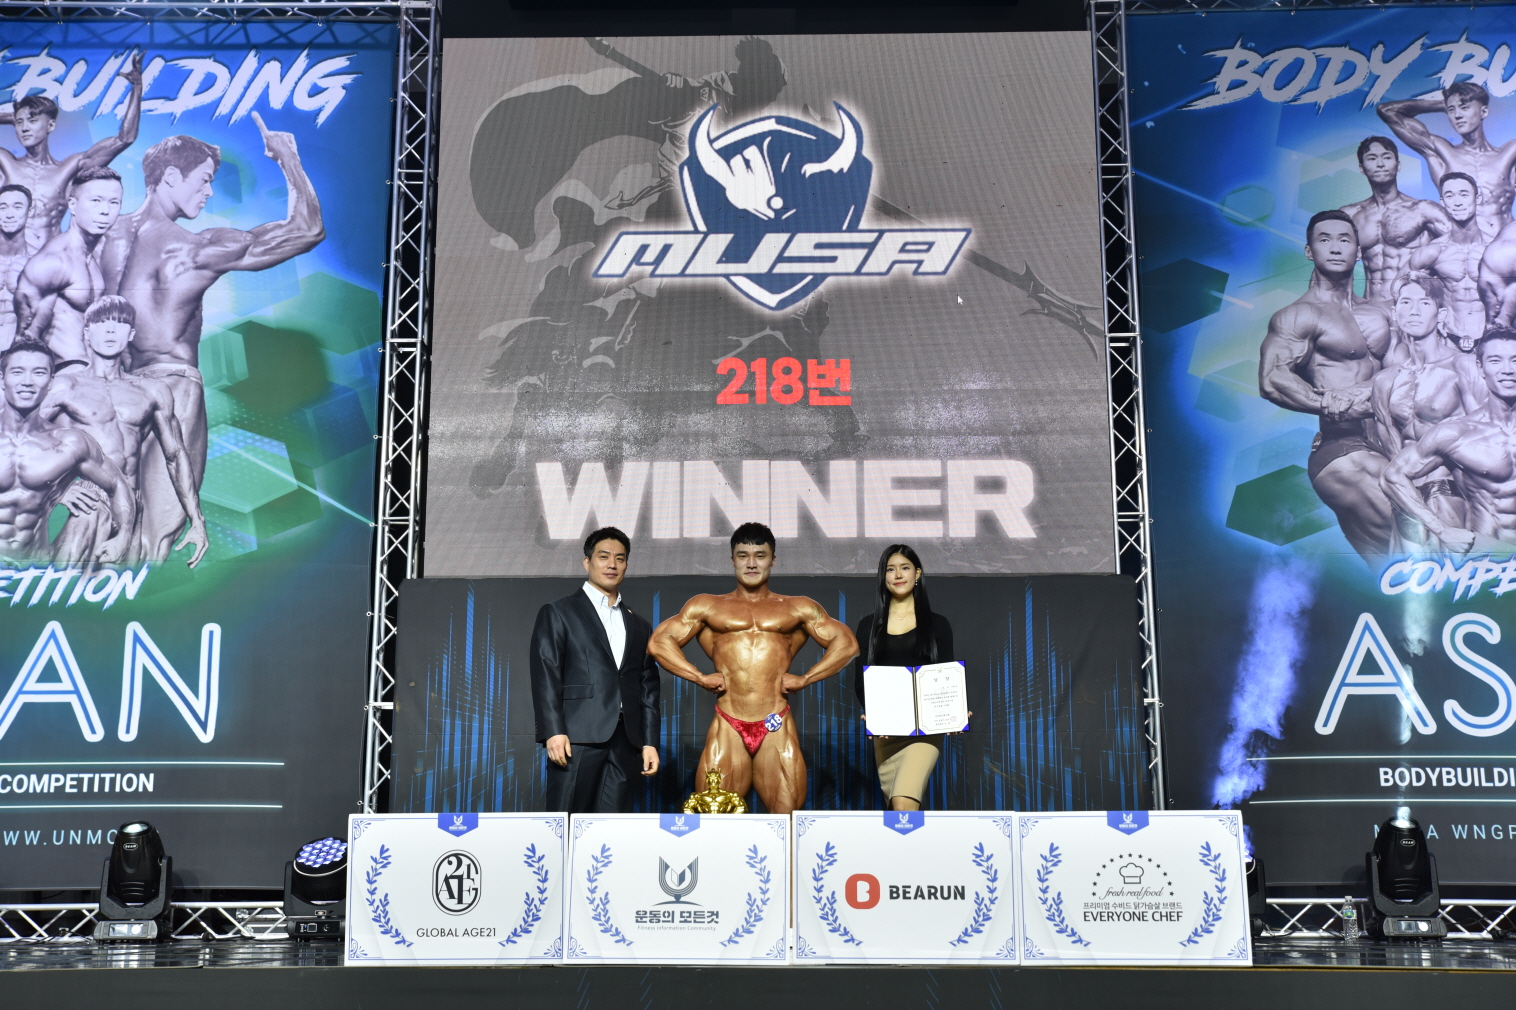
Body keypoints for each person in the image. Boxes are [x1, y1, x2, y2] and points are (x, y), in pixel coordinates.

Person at [99, 115, 324, 559]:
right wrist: (287, 156)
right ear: (170, 176)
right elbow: (307, 230)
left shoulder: (99, 233)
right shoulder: (195, 248)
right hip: (171, 386)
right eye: (203, 181)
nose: (208, 193)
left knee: (106, 528)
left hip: (108, 392)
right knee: (157, 532)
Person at [647, 521, 858, 814]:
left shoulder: (797, 607)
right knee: (714, 813)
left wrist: (807, 678)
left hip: (775, 722)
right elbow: (659, 642)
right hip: (728, 723)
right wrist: (698, 677)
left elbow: (846, 643)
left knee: (786, 815)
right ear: (732, 559)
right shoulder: (707, 606)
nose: (751, 563)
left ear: (773, 559)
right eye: (743, 555)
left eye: (760, 555)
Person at [1259, 209, 1394, 557]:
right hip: (1345, 449)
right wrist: (1327, 404)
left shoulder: (1380, 312)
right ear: (1309, 251)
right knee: (1414, 538)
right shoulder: (1300, 315)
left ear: (1359, 252)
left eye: (1344, 240)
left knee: (1385, 567)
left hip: (1389, 446)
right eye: (1324, 239)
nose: (1335, 247)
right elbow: (1272, 378)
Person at [39, 297, 207, 566]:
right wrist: (58, 492)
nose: (110, 329)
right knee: (65, 584)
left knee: (121, 588)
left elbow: (175, 456)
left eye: (119, 323)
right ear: (87, 332)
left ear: (130, 334)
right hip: (88, 502)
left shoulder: (153, 391)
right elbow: (17, 439)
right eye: (102, 322)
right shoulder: (64, 386)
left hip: (133, 505)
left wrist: (196, 520)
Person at [529, 526, 661, 813]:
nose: (612, 564)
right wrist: (553, 731)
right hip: (576, 737)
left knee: (611, 829)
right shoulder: (559, 612)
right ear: (587, 562)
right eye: (604, 556)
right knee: (566, 820)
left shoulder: (639, 624)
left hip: (626, 741)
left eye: (620, 558)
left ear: (626, 565)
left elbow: (648, 687)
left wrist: (650, 743)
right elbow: (546, 675)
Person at [1383, 326, 1516, 552]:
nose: (1507, 370)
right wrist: (1442, 530)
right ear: (1480, 368)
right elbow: (1392, 477)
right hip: (1492, 555)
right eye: (1495, 361)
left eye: (1515, 360)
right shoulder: (1458, 433)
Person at [0, 339, 132, 563]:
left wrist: (124, 537)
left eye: (38, 373)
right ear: (3, 379)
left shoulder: (70, 443)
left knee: (95, 508)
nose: (27, 382)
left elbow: (117, 484)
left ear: (51, 382)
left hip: (34, 569)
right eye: (17, 372)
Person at [850, 544, 958, 812]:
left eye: (905, 568)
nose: (898, 575)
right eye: (890, 569)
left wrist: (956, 710)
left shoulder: (938, 625)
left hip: (925, 730)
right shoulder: (868, 626)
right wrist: (872, 713)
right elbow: (862, 680)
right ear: (883, 576)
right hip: (887, 732)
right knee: (899, 816)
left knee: (902, 803)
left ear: (917, 573)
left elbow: (948, 675)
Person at [0, 53, 142, 255]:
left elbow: (124, 139)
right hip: (9, 258)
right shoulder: (6, 163)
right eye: (19, 123)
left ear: (50, 125)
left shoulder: (69, 168)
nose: (24, 128)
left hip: (51, 259)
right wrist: (13, 117)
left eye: (32, 121)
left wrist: (137, 88)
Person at [1370, 273, 1471, 551]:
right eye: (1405, 302)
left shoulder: (1462, 368)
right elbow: (1392, 454)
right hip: (1406, 503)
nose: (1413, 311)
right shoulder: (1385, 381)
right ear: (1395, 312)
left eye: (1424, 303)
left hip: (1451, 493)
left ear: (1441, 315)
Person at [14, 165, 124, 370]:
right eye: (96, 201)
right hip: (65, 371)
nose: (105, 211)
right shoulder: (54, 262)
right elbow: (24, 339)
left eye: (114, 202)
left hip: (91, 373)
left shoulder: (89, 260)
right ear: (73, 205)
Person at [1378, 82, 1516, 242]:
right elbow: (1387, 111)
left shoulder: (1509, 154)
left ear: (1483, 111)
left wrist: (1452, 104)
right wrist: (1442, 104)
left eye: (1464, 107)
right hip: (1465, 249)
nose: (1457, 115)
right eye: (1451, 110)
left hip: (1507, 246)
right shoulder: (1441, 153)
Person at [1339, 136, 1450, 303]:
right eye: (1372, 158)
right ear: (1361, 168)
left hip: (1412, 306)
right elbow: (1329, 267)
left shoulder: (1423, 210)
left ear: (1398, 165)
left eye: (1386, 157)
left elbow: (1462, 249)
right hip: (1371, 306)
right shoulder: (1350, 215)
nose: (1380, 164)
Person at [1407, 172, 1489, 345]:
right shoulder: (1433, 251)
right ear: (1443, 202)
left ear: (1478, 198)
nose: (1457, 202)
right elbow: (1400, 289)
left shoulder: (1495, 248)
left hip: (1491, 339)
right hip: (1448, 339)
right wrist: (1430, 318)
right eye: (1450, 196)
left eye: (1464, 195)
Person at [0, 183, 32, 348]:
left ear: (30, 211)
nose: (9, 215)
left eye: (17, 207)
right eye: (2, 208)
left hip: (21, 350)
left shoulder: (38, 261)